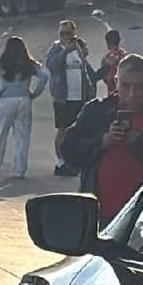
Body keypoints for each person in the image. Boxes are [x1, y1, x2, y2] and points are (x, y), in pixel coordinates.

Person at [61, 54, 143, 226]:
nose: (132, 94)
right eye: (126, 87)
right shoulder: (96, 112)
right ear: (116, 83)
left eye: (139, 87)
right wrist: (103, 141)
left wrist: (140, 143)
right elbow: (69, 152)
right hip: (101, 218)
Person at [0, 37, 50, 178]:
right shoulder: (29, 63)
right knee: (22, 136)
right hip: (24, 99)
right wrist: (34, 93)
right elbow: (45, 76)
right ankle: (20, 169)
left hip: (5, 100)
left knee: (1, 132)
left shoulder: (1, 62)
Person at [46, 20, 97, 177]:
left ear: (74, 33)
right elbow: (51, 65)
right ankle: (60, 162)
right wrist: (65, 51)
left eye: (68, 33)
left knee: (78, 131)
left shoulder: (79, 48)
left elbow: (86, 70)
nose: (65, 36)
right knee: (63, 130)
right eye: (62, 33)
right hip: (63, 98)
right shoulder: (56, 48)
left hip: (79, 97)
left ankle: (74, 162)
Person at [95, 30, 127, 96]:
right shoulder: (124, 55)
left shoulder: (106, 58)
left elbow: (104, 77)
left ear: (107, 42)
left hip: (112, 92)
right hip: (124, 91)